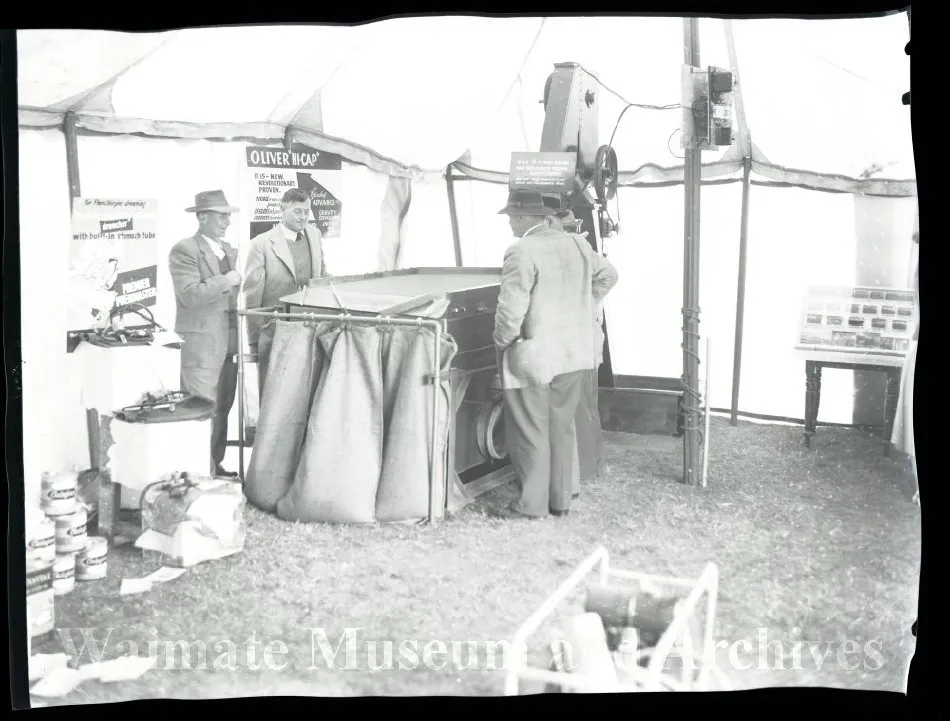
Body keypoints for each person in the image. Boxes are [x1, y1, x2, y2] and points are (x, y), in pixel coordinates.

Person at [490, 190, 619, 520]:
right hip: (573, 353)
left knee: (531, 430)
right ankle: (560, 501)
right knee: (562, 428)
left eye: (511, 217)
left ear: (525, 219)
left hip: (534, 356)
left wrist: (503, 344)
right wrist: (582, 305)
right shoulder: (576, 243)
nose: (508, 222)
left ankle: (531, 505)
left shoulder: (520, 251)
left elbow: (510, 312)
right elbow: (609, 275)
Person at [168, 190, 242, 478]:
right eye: (221, 215)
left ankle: (214, 466)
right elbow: (189, 296)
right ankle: (198, 473)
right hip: (200, 345)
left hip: (228, 344)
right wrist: (226, 280)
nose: (227, 221)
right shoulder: (185, 249)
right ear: (202, 217)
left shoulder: (227, 250)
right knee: (201, 408)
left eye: (228, 215)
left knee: (222, 406)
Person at [243, 187, 324, 394]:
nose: (303, 217)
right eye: (297, 211)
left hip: (310, 328)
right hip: (274, 332)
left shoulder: (314, 235)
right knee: (273, 393)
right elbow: (252, 297)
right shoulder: (261, 244)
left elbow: (321, 277)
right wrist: (254, 340)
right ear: (282, 209)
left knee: (306, 390)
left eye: (307, 211)